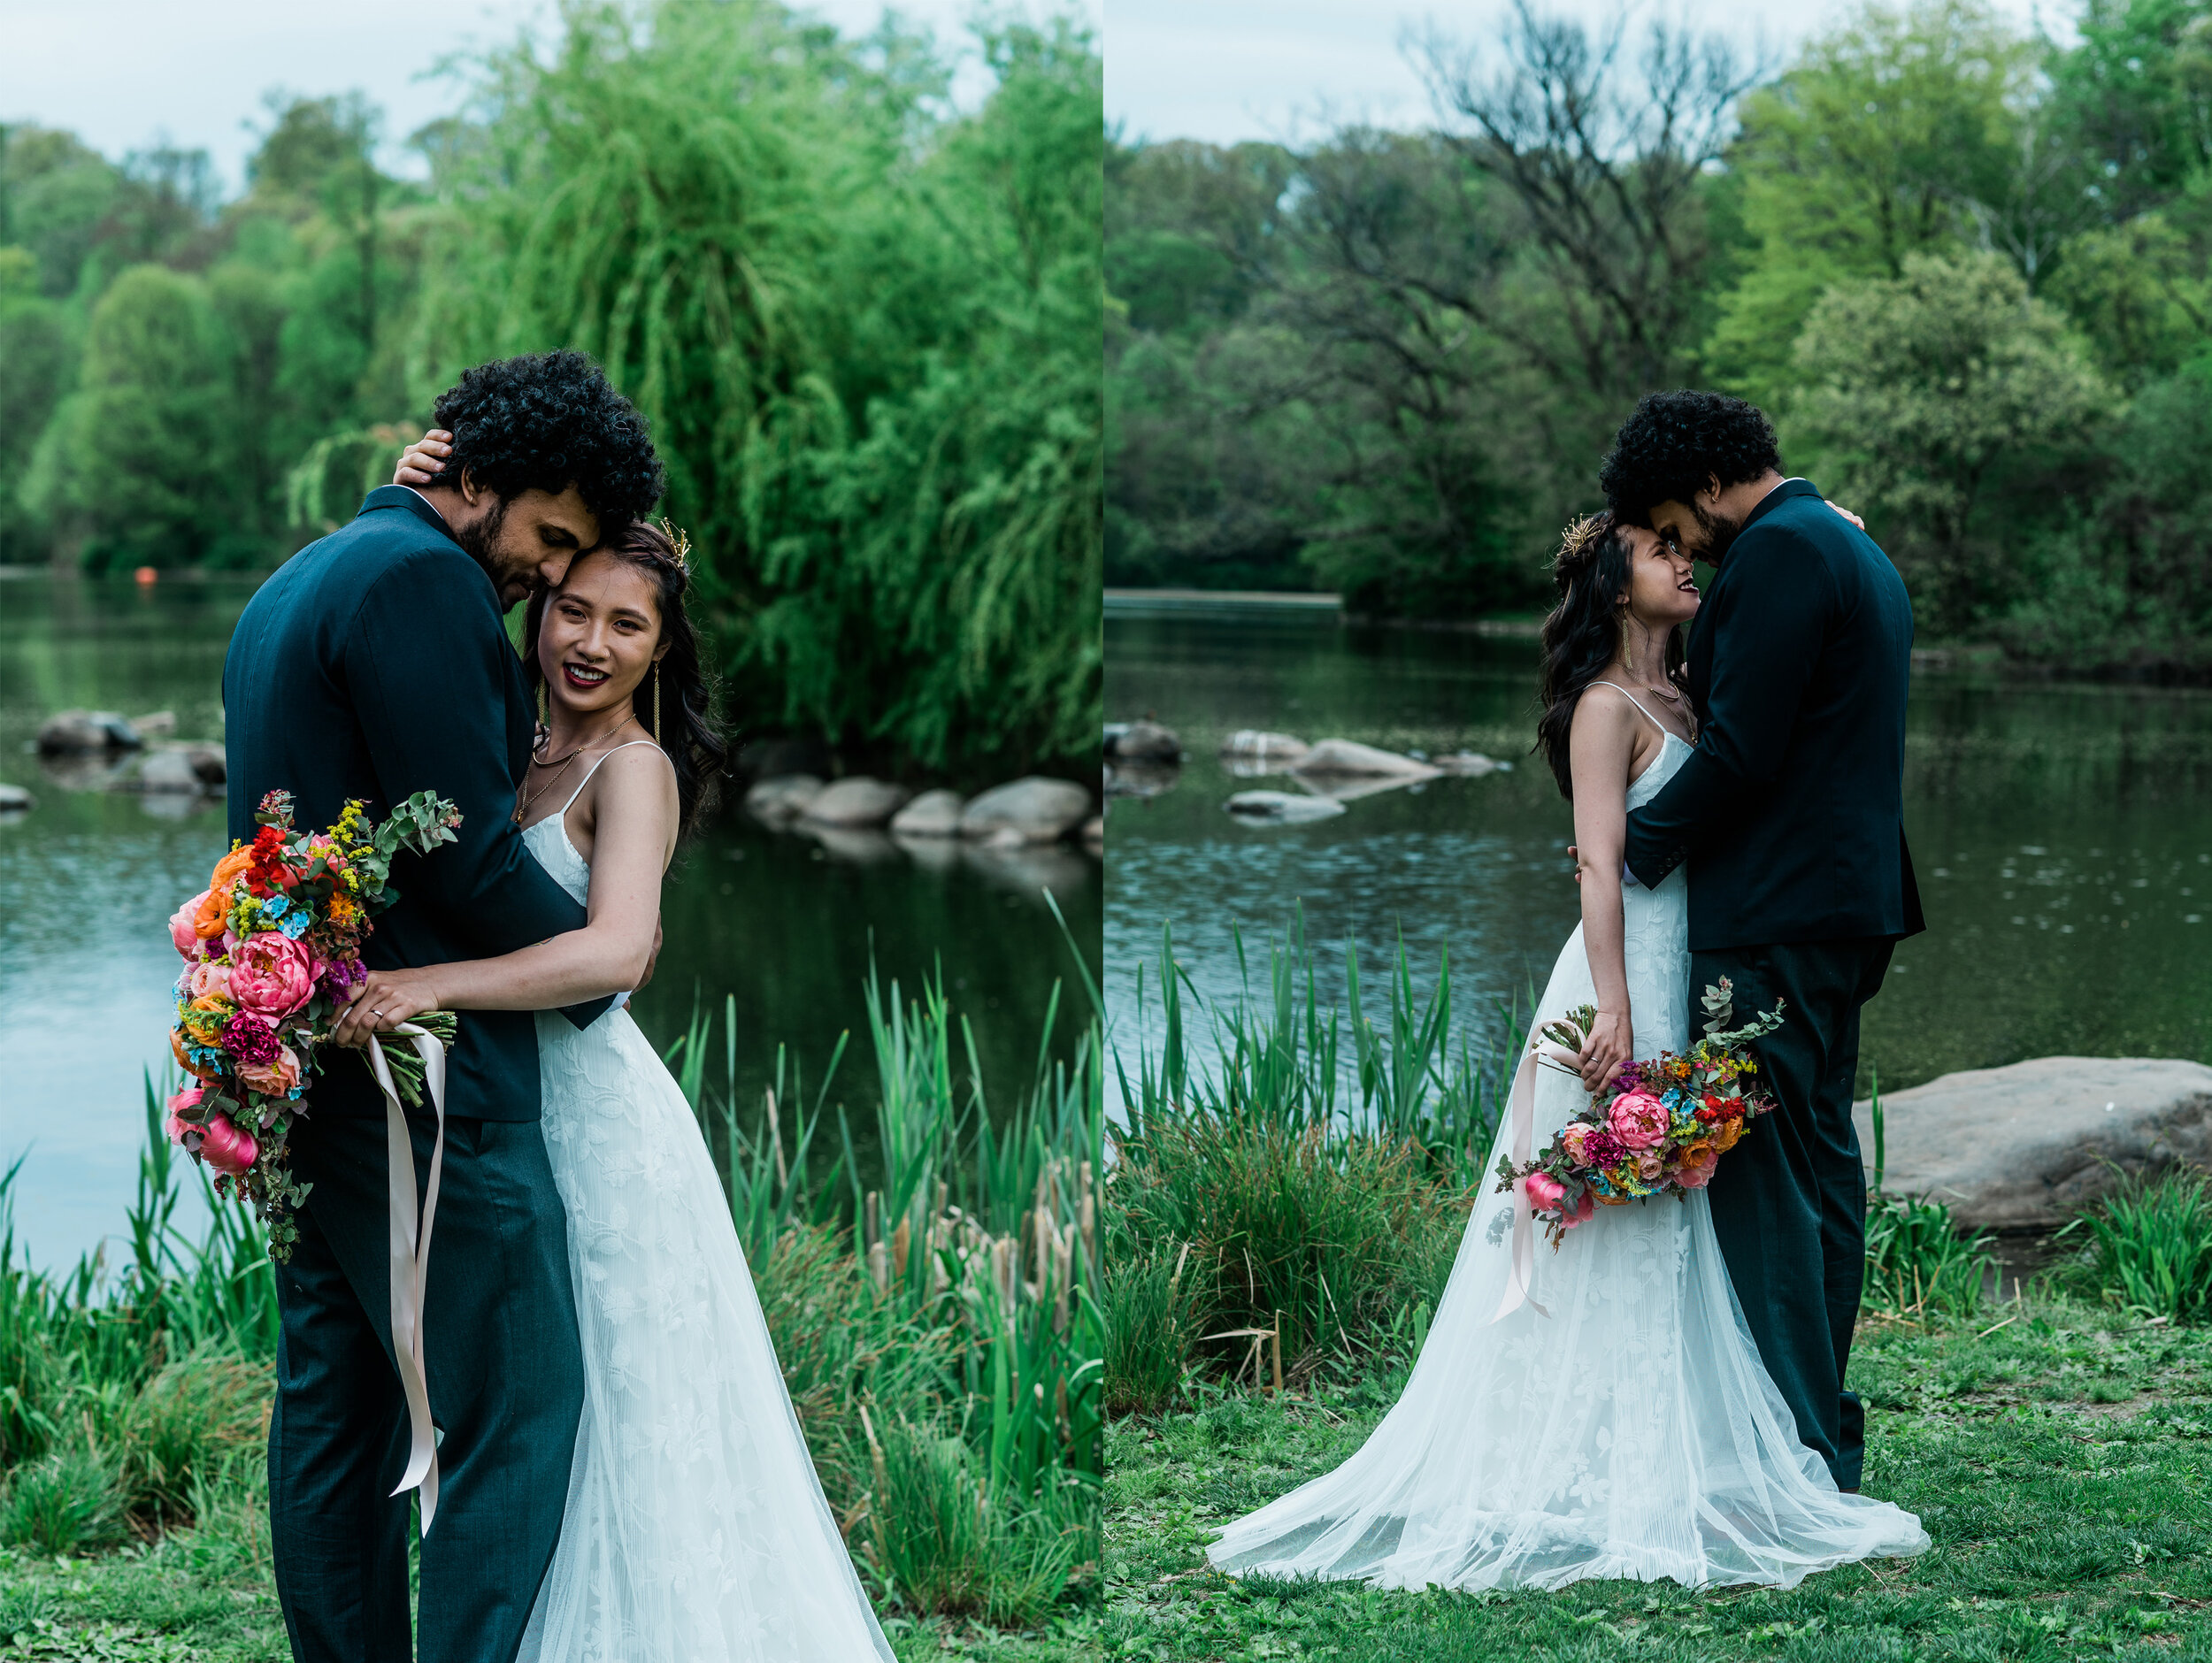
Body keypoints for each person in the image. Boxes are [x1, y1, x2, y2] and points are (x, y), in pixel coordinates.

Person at [1203, 507, 1927, 1592]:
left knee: (1685, 1205)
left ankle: (1696, 1444)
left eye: (1686, 546)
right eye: (1658, 551)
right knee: (1605, 1214)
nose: (1686, 561)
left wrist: (1822, 528)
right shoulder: (1603, 706)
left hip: (1695, 965)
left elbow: (1771, 722)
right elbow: (1597, 865)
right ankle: (1572, 1455)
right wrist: (1612, 1007)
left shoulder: (1695, 687)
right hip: (1624, 972)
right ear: (1610, 580)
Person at [334, 431, 897, 1660]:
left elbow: (616, 955)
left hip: (600, 1121)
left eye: (627, 627)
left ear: (661, 648)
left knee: (620, 1405)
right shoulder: (506, 750)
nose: (589, 644)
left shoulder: (632, 771)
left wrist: (428, 984)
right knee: (530, 1413)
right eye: (571, 610)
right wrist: (404, 478)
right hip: (501, 1114)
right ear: (535, 612)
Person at [223, 350, 665, 1662]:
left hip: (311, 1061)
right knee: (519, 1417)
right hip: (431, 1089)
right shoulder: (421, 580)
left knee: (336, 1413)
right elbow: (463, 863)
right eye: (548, 538)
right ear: (479, 475)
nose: (547, 575)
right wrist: (599, 970)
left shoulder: (304, 574)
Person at [1604, 389, 1925, 1497]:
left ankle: (1791, 1444)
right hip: (1842, 905)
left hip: (1780, 913)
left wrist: (1630, 847)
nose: (1680, 548)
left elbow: (1742, 750)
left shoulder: (1783, 553)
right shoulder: (1843, 542)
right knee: (1819, 1161)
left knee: (1765, 1171)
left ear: (1702, 485)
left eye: (1670, 522)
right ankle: (1820, 1430)